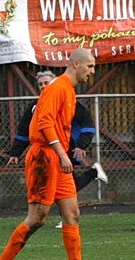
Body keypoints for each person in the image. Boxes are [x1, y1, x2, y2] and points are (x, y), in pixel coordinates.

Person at [0, 48, 104, 260]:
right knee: (38, 218)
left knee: (72, 213)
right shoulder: (57, 88)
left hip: (56, 157)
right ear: (75, 64)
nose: (92, 71)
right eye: (90, 66)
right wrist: (62, 154)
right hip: (44, 157)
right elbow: (43, 122)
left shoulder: (69, 92)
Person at [7, 69, 108, 228]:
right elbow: (24, 129)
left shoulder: (67, 99)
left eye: (46, 83)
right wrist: (15, 152)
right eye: (40, 84)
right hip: (45, 153)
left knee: (65, 187)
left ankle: (67, 215)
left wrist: (82, 145)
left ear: (54, 83)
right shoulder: (35, 106)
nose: (43, 86)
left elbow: (87, 123)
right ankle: (91, 176)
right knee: (63, 188)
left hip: (65, 151)